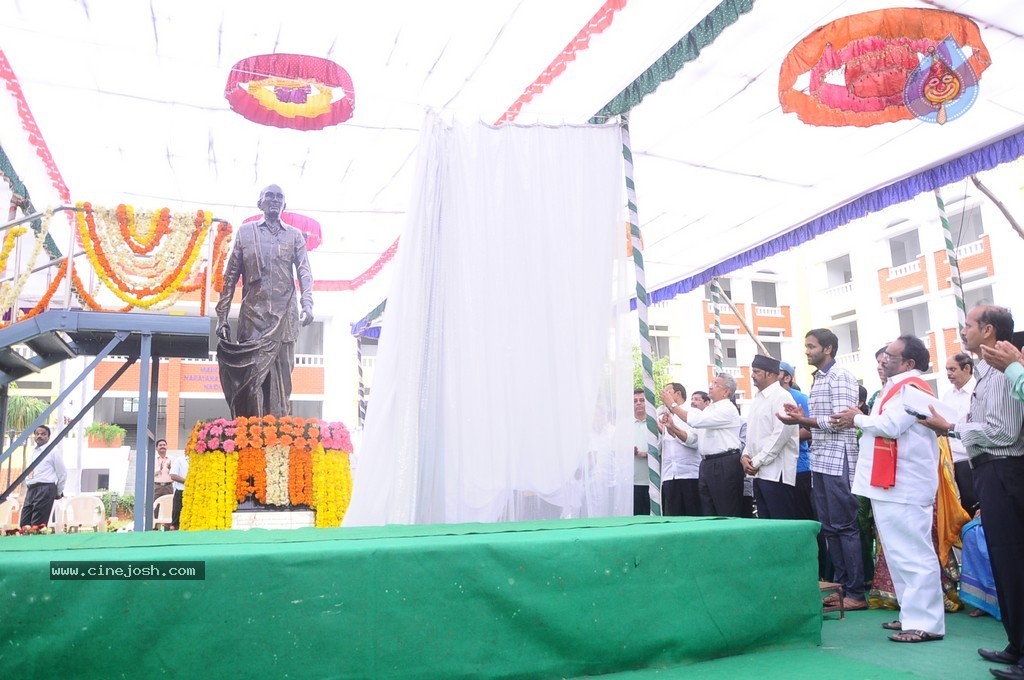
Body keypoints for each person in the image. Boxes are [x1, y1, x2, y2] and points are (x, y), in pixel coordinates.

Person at [922, 305, 1024, 678]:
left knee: (1014, 562)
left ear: (989, 330)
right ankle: (1016, 644)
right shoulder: (988, 372)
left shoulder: (1005, 372)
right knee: (1004, 562)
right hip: (990, 471)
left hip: (1004, 470)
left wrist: (952, 428)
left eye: (968, 325)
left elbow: (1004, 432)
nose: (963, 330)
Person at [832, 335, 945, 643]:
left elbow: (891, 426)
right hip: (890, 484)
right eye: (884, 355)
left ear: (909, 363)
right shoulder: (896, 387)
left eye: (891, 356)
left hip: (905, 485)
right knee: (898, 554)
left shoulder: (913, 389)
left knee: (913, 554)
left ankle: (927, 623)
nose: (883, 359)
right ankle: (911, 614)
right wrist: (861, 419)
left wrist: (857, 418)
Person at [779, 328, 866, 610]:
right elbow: (823, 420)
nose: (807, 351)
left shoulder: (840, 376)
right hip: (821, 461)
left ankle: (856, 593)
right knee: (830, 528)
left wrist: (803, 421)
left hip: (838, 459)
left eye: (811, 346)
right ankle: (841, 589)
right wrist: (802, 418)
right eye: (806, 346)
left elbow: (842, 420)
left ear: (827, 349)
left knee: (844, 527)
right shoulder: (819, 379)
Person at [215, 184, 314, 418]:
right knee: (251, 380)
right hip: (253, 317)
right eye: (270, 196)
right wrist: (222, 316)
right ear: (260, 203)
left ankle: (279, 430)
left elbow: (304, 271)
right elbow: (230, 277)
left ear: (284, 204)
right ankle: (250, 432)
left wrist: (307, 302)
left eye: (279, 197)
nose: (275, 200)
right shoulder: (245, 233)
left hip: (285, 316)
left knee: (283, 379)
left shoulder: (294, 235)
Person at [665, 373, 743, 517]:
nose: (710, 387)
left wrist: (673, 405)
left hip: (724, 462)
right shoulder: (708, 410)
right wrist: (674, 428)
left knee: (726, 510)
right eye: (711, 383)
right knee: (708, 511)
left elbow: (696, 421)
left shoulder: (727, 409)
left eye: (715, 384)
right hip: (707, 463)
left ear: (726, 391)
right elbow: (693, 438)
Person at [741, 355, 799, 519]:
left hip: (776, 474)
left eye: (757, 372)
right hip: (758, 473)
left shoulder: (782, 397)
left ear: (771, 374)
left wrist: (756, 462)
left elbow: (780, 436)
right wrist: (745, 456)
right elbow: (752, 433)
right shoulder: (758, 399)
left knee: (781, 524)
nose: (752, 375)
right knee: (766, 525)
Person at [941, 353, 978, 516]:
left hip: (970, 458)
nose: (948, 373)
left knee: (974, 506)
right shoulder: (947, 395)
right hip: (950, 460)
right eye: (947, 370)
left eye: (953, 369)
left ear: (967, 368)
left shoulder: (977, 391)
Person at [657, 383, 701, 516]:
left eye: (668, 391)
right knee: (673, 517)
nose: (663, 395)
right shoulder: (662, 416)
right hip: (669, 476)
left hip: (690, 475)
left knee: (693, 516)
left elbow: (694, 441)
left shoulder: (692, 413)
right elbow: (659, 448)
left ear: (678, 394)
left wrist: (673, 430)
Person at [18, 425, 66, 528]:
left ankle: (37, 538)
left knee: (38, 524)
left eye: (43, 434)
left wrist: (58, 492)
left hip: (45, 488)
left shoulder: (53, 451)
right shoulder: (33, 452)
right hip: (32, 489)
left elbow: (62, 473)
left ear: (48, 437)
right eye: (37, 434)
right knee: (24, 523)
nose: (39, 436)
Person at [633, 388, 651, 516]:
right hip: (632, 481)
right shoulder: (624, 425)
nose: (638, 403)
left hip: (652, 481)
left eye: (642, 400)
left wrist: (646, 454)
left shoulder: (655, 424)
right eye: (635, 401)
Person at [170, 453, 189, 529]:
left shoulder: (201, 459)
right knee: (177, 515)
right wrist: (188, 482)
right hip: (181, 492)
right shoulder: (179, 460)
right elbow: (173, 475)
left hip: (196, 493)